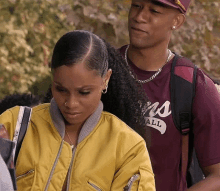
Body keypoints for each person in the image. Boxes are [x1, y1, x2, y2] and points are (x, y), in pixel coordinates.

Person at [0, 30, 155, 191]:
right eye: (61, 90)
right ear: (52, 77)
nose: (71, 103)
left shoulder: (129, 148)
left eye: (84, 92)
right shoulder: (14, 125)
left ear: (106, 79)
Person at [119, 0, 220, 190]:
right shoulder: (103, 68)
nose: (139, 17)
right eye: (136, 5)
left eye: (154, 10)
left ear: (177, 21)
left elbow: (217, 175)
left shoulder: (193, 85)